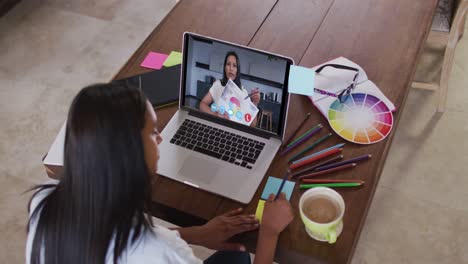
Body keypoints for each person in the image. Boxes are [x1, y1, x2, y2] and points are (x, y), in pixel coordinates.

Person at [26, 81, 293, 264]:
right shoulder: (162, 253)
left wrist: (196, 234)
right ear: (131, 157)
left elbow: (117, 242)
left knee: (235, 256)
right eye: (153, 133)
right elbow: (153, 248)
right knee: (242, 255)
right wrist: (269, 233)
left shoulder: (44, 203)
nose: (161, 139)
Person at [199, 51, 261, 127]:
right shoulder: (218, 84)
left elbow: (252, 125)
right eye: (228, 64)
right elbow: (202, 104)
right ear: (225, 67)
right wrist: (214, 114)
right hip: (217, 127)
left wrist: (255, 103)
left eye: (234, 66)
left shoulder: (243, 92)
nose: (231, 68)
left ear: (237, 70)